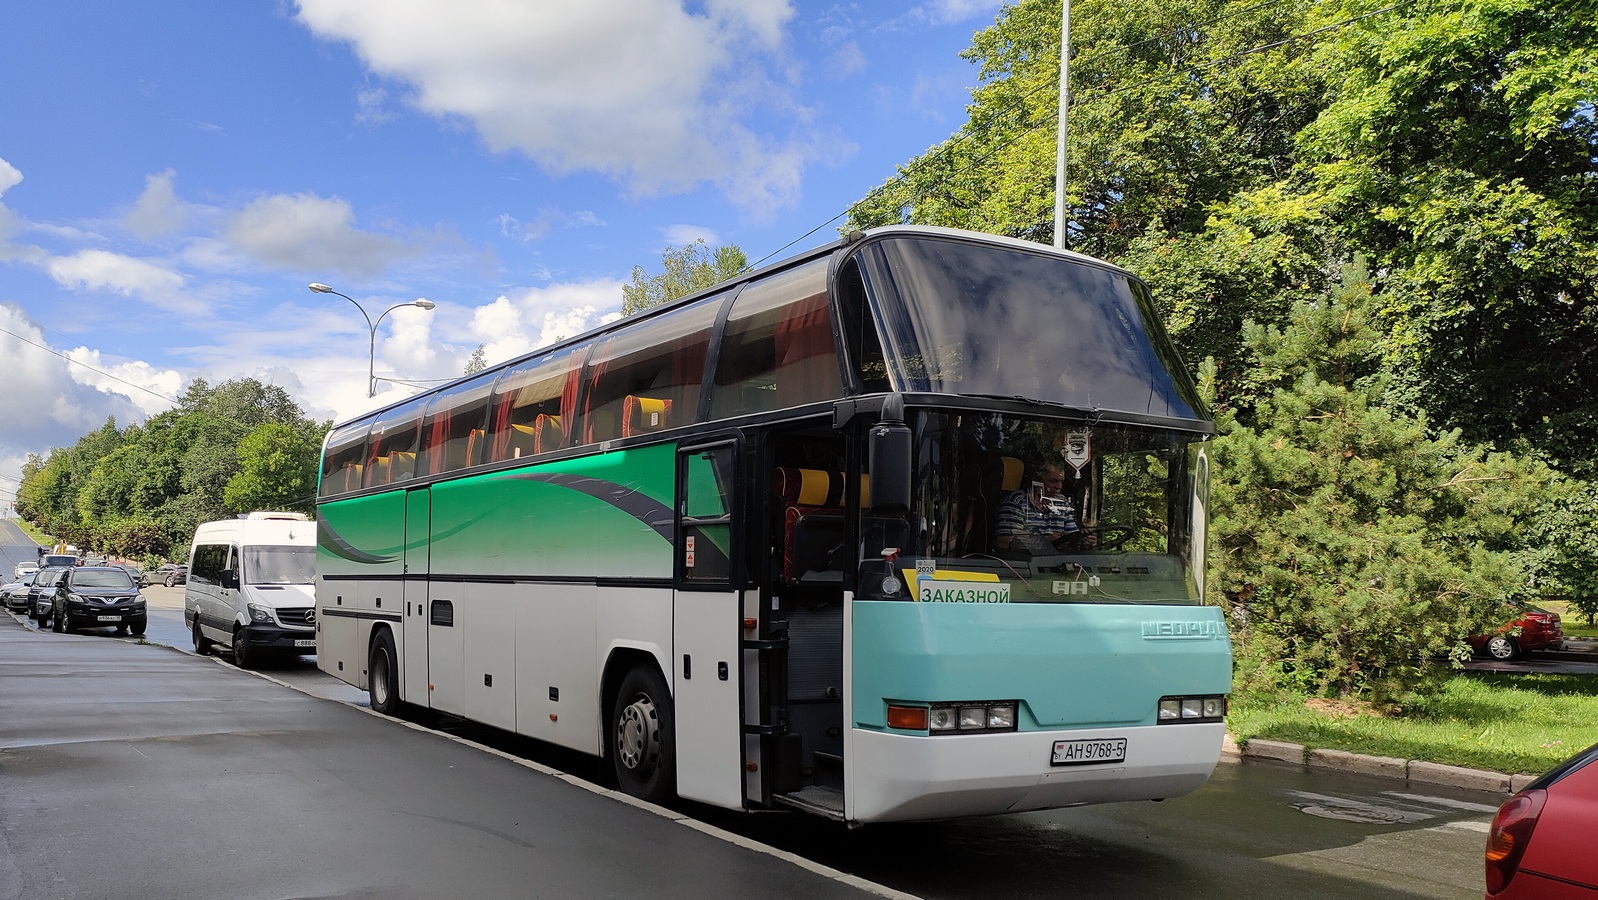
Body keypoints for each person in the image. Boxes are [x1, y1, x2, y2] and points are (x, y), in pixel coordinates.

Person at [994, 463, 1084, 555]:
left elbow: (1072, 535)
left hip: (1058, 561)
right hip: (1025, 564)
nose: (1058, 487)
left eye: (1061, 482)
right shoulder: (1017, 501)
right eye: (1053, 481)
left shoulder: (1061, 502)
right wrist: (1045, 541)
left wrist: (1085, 541)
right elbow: (1004, 542)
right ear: (1037, 480)